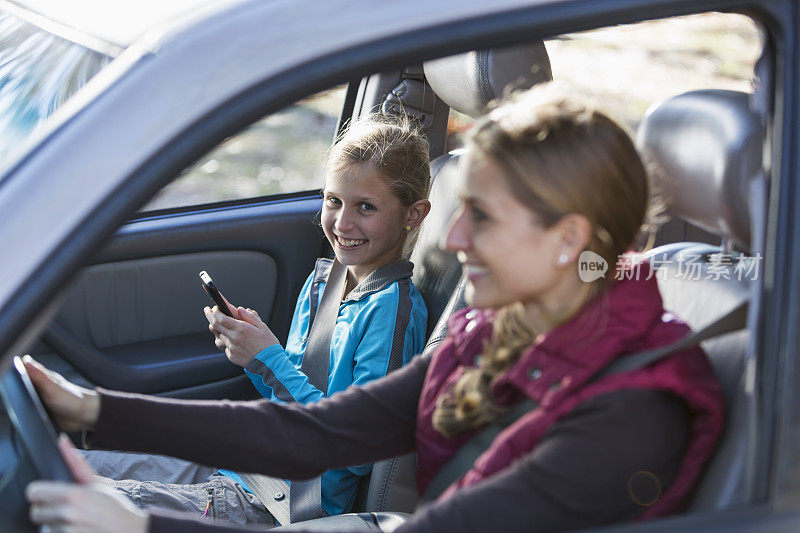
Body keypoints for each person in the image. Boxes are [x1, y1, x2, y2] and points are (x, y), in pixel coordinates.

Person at [24, 86, 724, 533]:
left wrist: (141, 527)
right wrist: (93, 410)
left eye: (479, 217)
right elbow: (314, 433)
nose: (451, 239)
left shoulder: (630, 415)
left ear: (566, 238)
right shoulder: (494, 331)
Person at [68, 112, 433, 526]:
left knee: (77, 499)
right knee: (68, 464)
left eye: (365, 207)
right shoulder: (324, 283)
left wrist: (270, 358)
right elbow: (289, 395)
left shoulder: (392, 310)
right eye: (333, 200)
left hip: (283, 501)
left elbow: (357, 446)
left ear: (414, 214)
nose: (342, 223)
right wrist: (254, 354)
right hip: (243, 462)